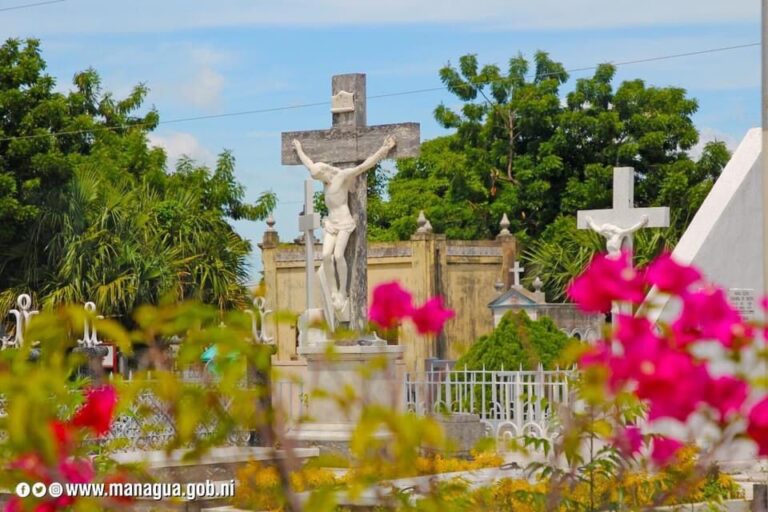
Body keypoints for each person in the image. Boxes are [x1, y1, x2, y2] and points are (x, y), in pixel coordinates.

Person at [292, 135, 397, 317]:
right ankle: (334, 291)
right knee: (325, 256)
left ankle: (343, 292)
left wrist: (384, 149)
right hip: (331, 223)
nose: (319, 179)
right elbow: (308, 163)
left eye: (319, 176)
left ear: (325, 171)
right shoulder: (323, 178)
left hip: (344, 222)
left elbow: (363, 166)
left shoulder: (341, 177)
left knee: (338, 255)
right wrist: (299, 148)